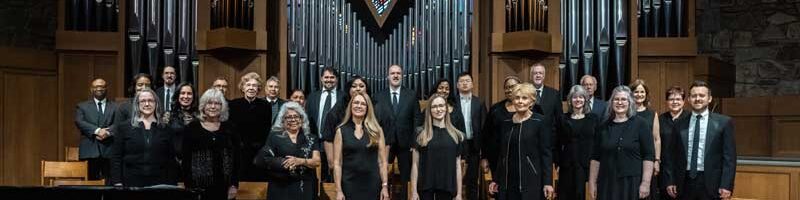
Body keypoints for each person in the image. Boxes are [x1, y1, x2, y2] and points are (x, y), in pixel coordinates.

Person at [663, 80, 736, 200]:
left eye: (702, 95)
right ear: (689, 99)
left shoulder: (724, 123)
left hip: (712, 184)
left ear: (709, 98)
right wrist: (670, 180)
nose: (697, 99)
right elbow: (671, 155)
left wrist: (727, 185)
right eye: (694, 95)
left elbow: (729, 158)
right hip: (684, 183)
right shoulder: (679, 124)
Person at [487, 83, 555, 200]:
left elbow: (546, 154)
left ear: (532, 102)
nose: (520, 101)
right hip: (508, 181)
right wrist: (496, 179)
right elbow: (502, 155)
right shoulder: (506, 123)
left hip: (532, 180)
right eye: (517, 98)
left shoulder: (540, 121)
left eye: (524, 98)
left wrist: (548, 182)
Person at [321, 76, 394, 182]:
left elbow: (387, 138)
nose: (358, 89)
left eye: (361, 86)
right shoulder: (339, 108)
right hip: (346, 168)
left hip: (371, 167)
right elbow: (328, 136)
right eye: (354, 86)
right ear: (348, 89)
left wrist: (384, 162)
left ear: (367, 89)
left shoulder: (377, 107)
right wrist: (332, 163)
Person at [588, 85, 655, 200]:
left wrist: (645, 182)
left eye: (623, 99)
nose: (620, 103)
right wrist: (592, 182)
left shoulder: (641, 124)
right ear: (611, 102)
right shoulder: (603, 126)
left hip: (632, 183)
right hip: (607, 182)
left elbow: (648, 156)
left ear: (630, 102)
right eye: (616, 99)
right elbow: (595, 157)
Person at [109, 88, 178, 187]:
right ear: (137, 104)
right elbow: (116, 157)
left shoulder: (166, 129)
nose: (147, 104)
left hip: (159, 183)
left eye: (150, 101)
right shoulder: (124, 127)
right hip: (130, 182)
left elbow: (171, 160)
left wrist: (172, 184)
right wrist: (117, 182)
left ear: (156, 103)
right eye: (143, 101)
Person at [374, 64, 422, 200]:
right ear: (388, 76)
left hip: (406, 144)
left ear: (402, 76)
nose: (395, 75)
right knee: (381, 174)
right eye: (393, 73)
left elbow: (417, 120)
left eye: (398, 73)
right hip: (385, 143)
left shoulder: (411, 95)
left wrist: (414, 142)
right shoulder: (378, 96)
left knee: (406, 176)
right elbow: (375, 121)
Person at [254, 102, 321, 200]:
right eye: (288, 117)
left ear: (302, 119)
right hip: (280, 186)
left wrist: (300, 161)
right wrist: (281, 162)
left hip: (303, 186)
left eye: (296, 116)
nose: (293, 120)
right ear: (282, 120)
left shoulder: (311, 138)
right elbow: (261, 159)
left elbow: (317, 161)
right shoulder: (275, 136)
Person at [182, 89, 240, 199]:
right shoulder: (192, 128)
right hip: (198, 189)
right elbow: (186, 161)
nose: (213, 107)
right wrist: (190, 187)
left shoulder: (230, 128)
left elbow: (237, 159)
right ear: (203, 106)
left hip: (225, 188)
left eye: (217, 103)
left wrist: (234, 185)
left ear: (222, 107)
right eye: (209, 103)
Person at [333, 93, 390, 200]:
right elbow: (337, 163)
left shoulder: (377, 130)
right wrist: (338, 190)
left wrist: (385, 186)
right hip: (349, 184)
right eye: (356, 102)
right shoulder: (341, 131)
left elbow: (382, 162)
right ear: (350, 106)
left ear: (368, 108)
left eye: (363, 104)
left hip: (372, 184)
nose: (359, 106)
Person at [411, 94, 464, 200]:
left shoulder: (457, 135)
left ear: (446, 108)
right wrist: (413, 191)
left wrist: (459, 194)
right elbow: (415, 165)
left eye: (441, 105)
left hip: (447, 188)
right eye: (434, 107)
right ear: (429, 110)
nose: (438, 109)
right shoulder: (420, 134)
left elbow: (458, 167)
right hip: (425, 189)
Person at [555, 85, 599, 200]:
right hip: (567, 166)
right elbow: (557, 143)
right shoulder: (562, 119)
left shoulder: (593, 119)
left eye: (581, 97)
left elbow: (598, 143)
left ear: (585, 99)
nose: (578, 100)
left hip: (587, 166)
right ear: (570, 100)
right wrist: (558, 163)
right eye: (574, 97)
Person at [228, 72, 271, 181]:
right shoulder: (233, 105)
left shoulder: (265, 106)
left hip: (258, 152)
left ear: (258, 88)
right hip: (238, 152)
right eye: (248, 85)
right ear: (243, 87)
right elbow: (231, 130)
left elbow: (266, 130)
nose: (251, 88)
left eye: (254, 85)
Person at [449, 72, 486, 200]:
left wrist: (483, 152)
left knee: (472, 179)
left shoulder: (479, 102)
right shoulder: (451, 102)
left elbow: (483, 127)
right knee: (454, 178)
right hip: (455, 145)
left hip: (473, 146)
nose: (464, 83)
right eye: (461, 81)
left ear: (472, 84)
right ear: (457, 85)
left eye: (467, 81)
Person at [75, 78, 119, 182]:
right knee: (89, 185)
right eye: (96, 87)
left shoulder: (116, 106)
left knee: (111, 184)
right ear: (91, 89)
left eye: (102, 86)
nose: (99, 89)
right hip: (89, 150)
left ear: (106, 89)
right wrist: (98, 130)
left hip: (109, 150)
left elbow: (119, 123)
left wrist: (108, 132)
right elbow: (79, 122)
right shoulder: (82, 106)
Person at [305, 66, 344, 182]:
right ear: (321, 79)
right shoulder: (312, 96)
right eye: (326, 77)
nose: (329, 80)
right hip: (316, 141)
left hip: (336, 142)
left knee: (335, 174)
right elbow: (307, 118)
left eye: (332, 77)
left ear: (337, 79)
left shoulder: (343, 97)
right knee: (317, 176)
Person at [630, 79, 663, 199]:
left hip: (648, 160)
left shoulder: (652, 113)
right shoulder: (627, 113)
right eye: (636, 91)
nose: (639, 94)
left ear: (646, 94)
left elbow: (656, 138)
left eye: (642, 92)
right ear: (631, 93)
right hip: (631, 159)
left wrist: (657, 160)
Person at [482, 75, 521, 173]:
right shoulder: (495, 109)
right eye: (507, 87)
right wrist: (484, 157)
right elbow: (486, 135)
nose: (509, 90)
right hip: (498, 159)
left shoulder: (529, 108)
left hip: (521, 159)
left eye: (512, 86)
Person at [657, 85, 690, 199]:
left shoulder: (691, 119)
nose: (674, 102)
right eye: (671, 99)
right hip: (664, 170)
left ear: (684, 101)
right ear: (666, 101)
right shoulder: (660, 119)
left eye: (678, 99)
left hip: (686, 172)